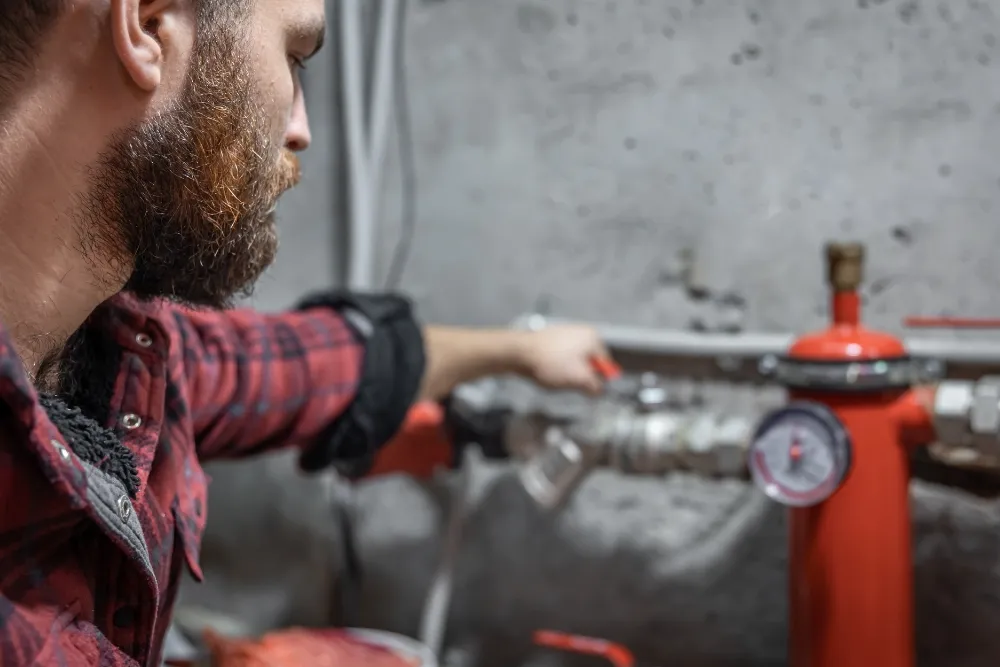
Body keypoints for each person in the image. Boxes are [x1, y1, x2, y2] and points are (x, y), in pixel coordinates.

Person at [0, 0, 613, 665]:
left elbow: (294, 368)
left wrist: (516, 352)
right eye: (294, 57)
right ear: (148, 25)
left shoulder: (111, 344)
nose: (301, 129)